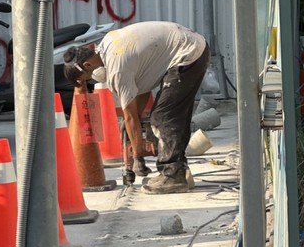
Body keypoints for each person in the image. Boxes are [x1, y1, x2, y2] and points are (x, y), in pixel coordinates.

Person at [63, 21, 210, 194]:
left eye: (87, 78)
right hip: (192, 46)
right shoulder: (107, 45)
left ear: (87, 65)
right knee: (174, 115)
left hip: (187, 54)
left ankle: (172, 175)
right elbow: (142, 90)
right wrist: (135, 131)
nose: (92, 80)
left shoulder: (116, 69)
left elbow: (130, 117)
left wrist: (137, 151)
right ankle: (179, 170)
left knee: (162, 117)